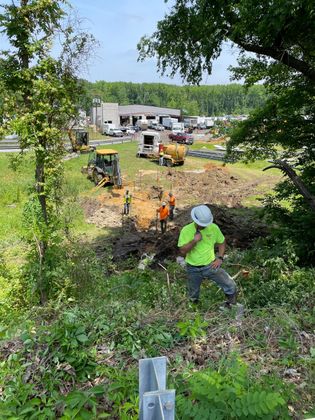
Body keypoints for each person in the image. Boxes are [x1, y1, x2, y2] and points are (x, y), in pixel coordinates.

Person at [178, 204, 237, 307]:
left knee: (229, 283)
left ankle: (231, 304)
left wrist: (220, 257)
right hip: (193, 268)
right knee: (193, 294)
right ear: (195, 220)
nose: (204, 226)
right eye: (202, 224)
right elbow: (182, 251)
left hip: (210, 265)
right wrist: (194, 241)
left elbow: (222, 242)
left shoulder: (213, 228)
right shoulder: (186, 230)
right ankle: (194, 312)